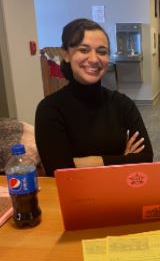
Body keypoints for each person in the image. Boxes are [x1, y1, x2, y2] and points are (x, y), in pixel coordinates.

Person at [35, 18, 153, 177]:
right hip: (76, 196)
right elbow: (58, 170)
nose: (93, 59)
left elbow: (145, 158)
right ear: (66, 55)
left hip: (119, 191)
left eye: (102, 51)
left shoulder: (122, 104)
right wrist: (123, 159)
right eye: (84, 50)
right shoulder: (50, 109)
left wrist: (86, 162)